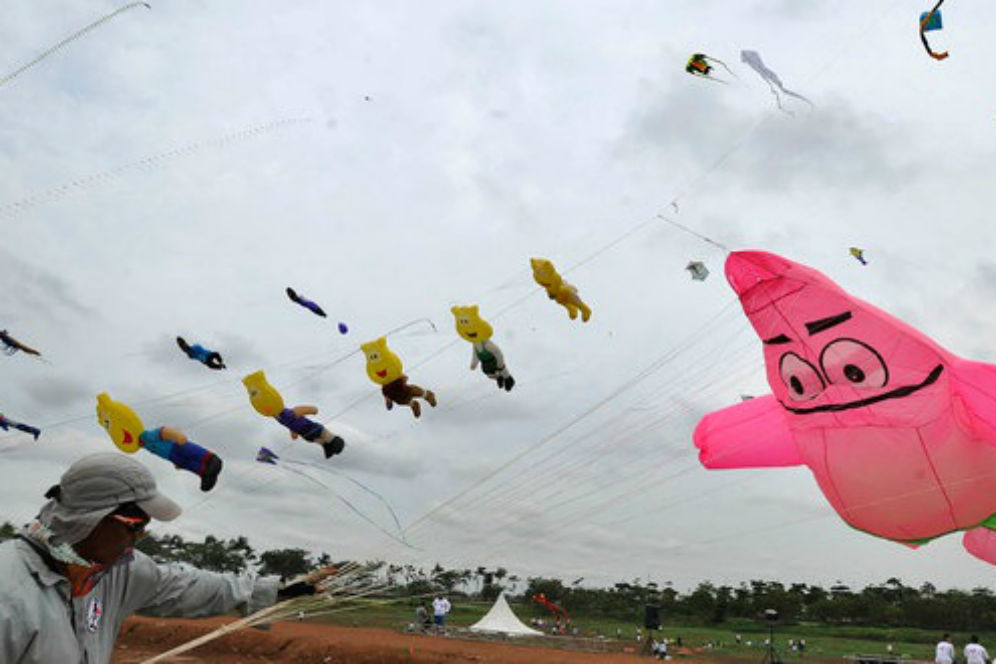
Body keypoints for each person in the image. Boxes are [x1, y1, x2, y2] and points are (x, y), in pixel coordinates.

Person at [0, 452, 332, 664]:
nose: (141, 535)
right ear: (88, 518)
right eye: (134, 524)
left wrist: (280, 590)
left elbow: (184, 585)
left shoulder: (111, 573)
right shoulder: (10, 595)